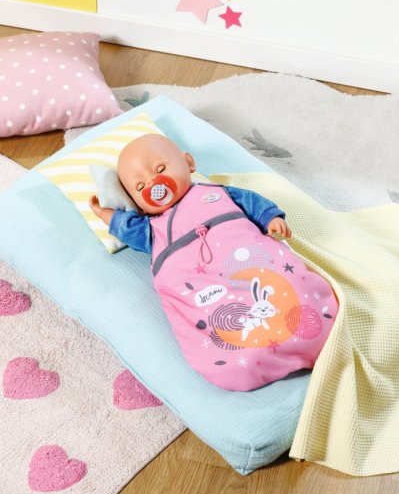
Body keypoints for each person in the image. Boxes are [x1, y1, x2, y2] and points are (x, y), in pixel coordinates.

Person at [90, 134, 338, 391]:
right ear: (139, 206)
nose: (154, 184)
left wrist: (271, 218)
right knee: (220, 324)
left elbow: (252, 202)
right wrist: (104, 213)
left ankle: (305, 326)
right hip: (204, 288)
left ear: (189, 163)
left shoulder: (217, 193)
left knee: (282, 284)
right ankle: (250, 354)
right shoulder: (152, 229)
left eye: (160, 169)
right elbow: (125, 226)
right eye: (140, 187)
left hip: (244, 262)